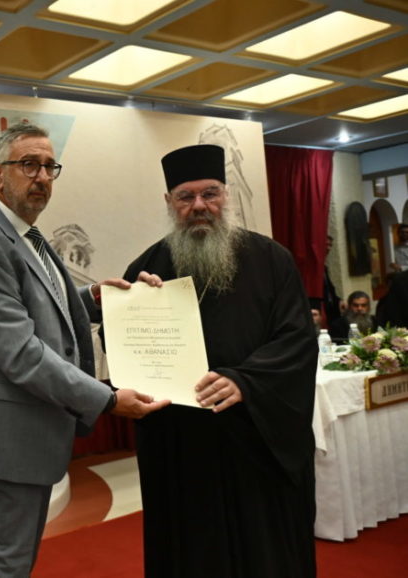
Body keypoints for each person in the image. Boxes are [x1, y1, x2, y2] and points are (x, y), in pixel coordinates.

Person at [0, 122, 169, 576]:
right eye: (29, 164)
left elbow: (44, 309)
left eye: (50, 166)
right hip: (11, 435)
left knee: (16, 559)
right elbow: (22, 353)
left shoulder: (24, 233)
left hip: (29, 427)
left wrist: (96, 297)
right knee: (7, 563)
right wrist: (107, 399)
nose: (42, 177)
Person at [110, 144, 316, 578]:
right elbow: (120, 345)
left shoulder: (271, 261)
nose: (199, 205)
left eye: (210, 193)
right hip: (182, 448)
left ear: (226, 195)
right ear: (169, 202)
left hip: (255, 442)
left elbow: (297, 340)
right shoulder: (146, 267)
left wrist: (245, 380)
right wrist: (135, 305)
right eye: (185, 196)